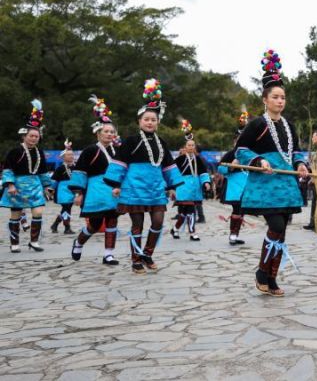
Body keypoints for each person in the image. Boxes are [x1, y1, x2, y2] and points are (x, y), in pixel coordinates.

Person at [236, 48, 309, 295]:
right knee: (276, 224)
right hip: (265, 186)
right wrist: (258, 160)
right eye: (275, 97)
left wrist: (300, 164)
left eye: (283, 97)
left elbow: (296, 151)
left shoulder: (289, 126)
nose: (280, 101)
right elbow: (241, 150)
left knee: (282, 229)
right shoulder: (257, 124)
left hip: (286, 185)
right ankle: (261, 271)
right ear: (265, 100)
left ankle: (271, 276)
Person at [104, 79, 183, 274]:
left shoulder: (161, 142)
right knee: (137, 224)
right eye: (146, 119)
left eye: (153, 120)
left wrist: (172, 186)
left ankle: (147, 253)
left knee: (158, 222)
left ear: (158, 122)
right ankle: (136, 259)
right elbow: (120, 163)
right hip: (134, 188)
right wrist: (116, 184)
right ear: (139, 121)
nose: (150, 122)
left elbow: (168, 166)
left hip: (156, 188)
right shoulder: (131, 141)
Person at [69, 95, 121, 265]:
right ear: (98, 133)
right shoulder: (90, 150)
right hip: (96, 190)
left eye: (112, 131)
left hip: (114, 191)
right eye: (106, 131)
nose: (109, 134)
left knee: (112, 220)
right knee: (95, 224)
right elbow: (80, 171)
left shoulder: (118, 151)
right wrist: (78, 192)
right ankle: (79, 242)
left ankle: (108, 254)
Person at [1, 100, 51, 252]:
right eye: (31, 136)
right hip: (17, 186)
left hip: (35, 185)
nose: (34, 138)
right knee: (15, 214)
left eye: (36, 136)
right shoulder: (15, 152)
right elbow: (8, 169)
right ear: (24, 136)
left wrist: (47, 186)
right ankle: (14, 243)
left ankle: (34, 241)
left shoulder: (40, 152)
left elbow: (42, 171)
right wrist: (10, 185)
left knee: (38, 211)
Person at [170, 120, 211, 242]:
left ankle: (178, 230)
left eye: (193, 145)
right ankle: (189, 231)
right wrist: (172, 188)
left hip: (195, 187)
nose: (191, 147)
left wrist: (206, 182)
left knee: (187, 212)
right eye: (189, 145)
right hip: (183, 187)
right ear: (185, 147)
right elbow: (172, 174)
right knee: (188, 211)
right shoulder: (179, 160)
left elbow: (203, 173)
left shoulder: (199, 160)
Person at [218, 107, 250, 245]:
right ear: (235, 141)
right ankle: (232, 235)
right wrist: (231, 167)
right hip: (234, 186)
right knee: (237, 209)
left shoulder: (250, 153)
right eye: (238, 140)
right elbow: (220, 168)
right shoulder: (231, 154)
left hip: (247, 186)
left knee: (241, 210)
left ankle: (235, 235)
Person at [50, 141, 77, 235]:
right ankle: (67, 227)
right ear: (63, 157)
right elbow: (53, 180)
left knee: (66, 209)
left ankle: (55, 225)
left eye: (72, 154)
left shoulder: (75, 166)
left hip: (72, 190)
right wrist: (50, 191)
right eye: (68, 155)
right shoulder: (60, 168)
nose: (71, 156)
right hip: (63, 190)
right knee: (66, 208)